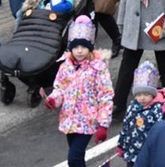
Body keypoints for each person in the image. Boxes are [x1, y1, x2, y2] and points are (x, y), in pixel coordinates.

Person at [44, 15, 114, 167]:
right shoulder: (65, 66)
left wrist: (103, 124)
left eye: (83, 47)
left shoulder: (98, 68)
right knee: (77, 157)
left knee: (74, 159)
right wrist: (53, 100)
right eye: (76, 47)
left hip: (88, 120)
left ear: (90, 47)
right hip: (69, 119)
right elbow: (60, 89)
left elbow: (106, 96)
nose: (79, 51)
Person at [117, 61, 165, 166]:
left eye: (146, 94)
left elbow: (163, 133)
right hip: (132, 152)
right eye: (139, 94)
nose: (142, 98)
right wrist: (121, 145)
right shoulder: (132, 106)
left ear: (153, 94)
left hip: (149, 154)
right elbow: (126, 126)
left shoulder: (158, 109)